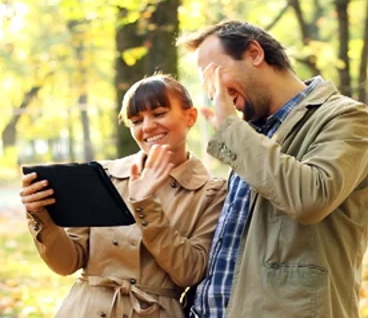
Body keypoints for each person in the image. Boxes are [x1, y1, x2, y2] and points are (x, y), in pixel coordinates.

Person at [176, 20, 368, 318]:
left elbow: (310, 198)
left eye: (214, 76)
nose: (213, 93)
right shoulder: (253, 133)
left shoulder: (345, 117)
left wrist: (231, 129)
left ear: (255, 53)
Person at [19, 74, 226, 318]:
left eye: (159, 113)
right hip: (83, 310)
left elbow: (190, 271)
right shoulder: (103, 176)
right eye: (136, 120)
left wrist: (145, 204)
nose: (147, 127)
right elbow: (67, 263)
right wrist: (42, 216)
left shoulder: (212, 192)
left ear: (190, 116)